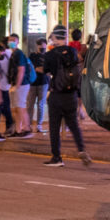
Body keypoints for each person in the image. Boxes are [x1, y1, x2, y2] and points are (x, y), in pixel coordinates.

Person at [43, 26, 92, 167]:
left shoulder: (50, 54)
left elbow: (46, 70)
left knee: (54, 127)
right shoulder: (73, 51)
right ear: (65, 37)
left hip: (57, 94)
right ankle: (81, 149)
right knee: (73, 124)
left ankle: (56, 157)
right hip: (71, 95)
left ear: (54, 37)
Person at [7, 33, 34, 138]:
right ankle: (18, 130)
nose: (11, 42)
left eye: (13, 40)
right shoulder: (13, 54)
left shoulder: (19, 54)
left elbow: (21, 70)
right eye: (10, 40)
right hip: (16, 84)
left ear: (18, 42)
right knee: (16, 108)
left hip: (22, 84)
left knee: (21, 107)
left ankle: (27, 128)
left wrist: (17, 86)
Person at [27, 38, 49, 134]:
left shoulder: (48, 56)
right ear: (37, 46)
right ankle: (28, 125)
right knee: (30, 104)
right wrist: (41, 69)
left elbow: (48, 70)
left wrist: (39, 69)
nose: (42, 48)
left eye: (43, 46)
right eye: (40, 46)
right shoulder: (32, 56)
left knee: (41, 105)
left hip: (44, 83)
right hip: (33, 83)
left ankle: (39, 125)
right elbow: (32, 68)